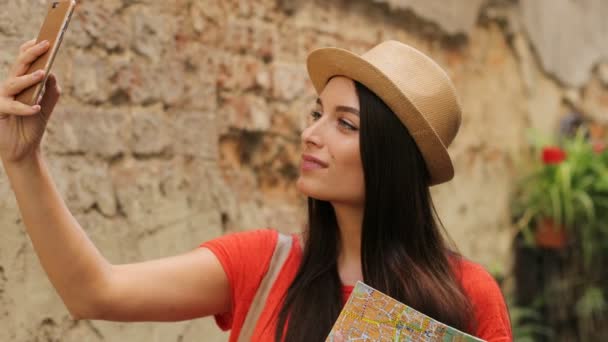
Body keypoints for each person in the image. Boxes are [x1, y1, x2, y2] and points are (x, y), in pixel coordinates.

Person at [0, 39, 512, 341]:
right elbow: (94, 291)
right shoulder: (264, 265)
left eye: (345, 124)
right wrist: (23, 160)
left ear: (392, 161)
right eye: (317, 113)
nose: (311, 133)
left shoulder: (469, 296)